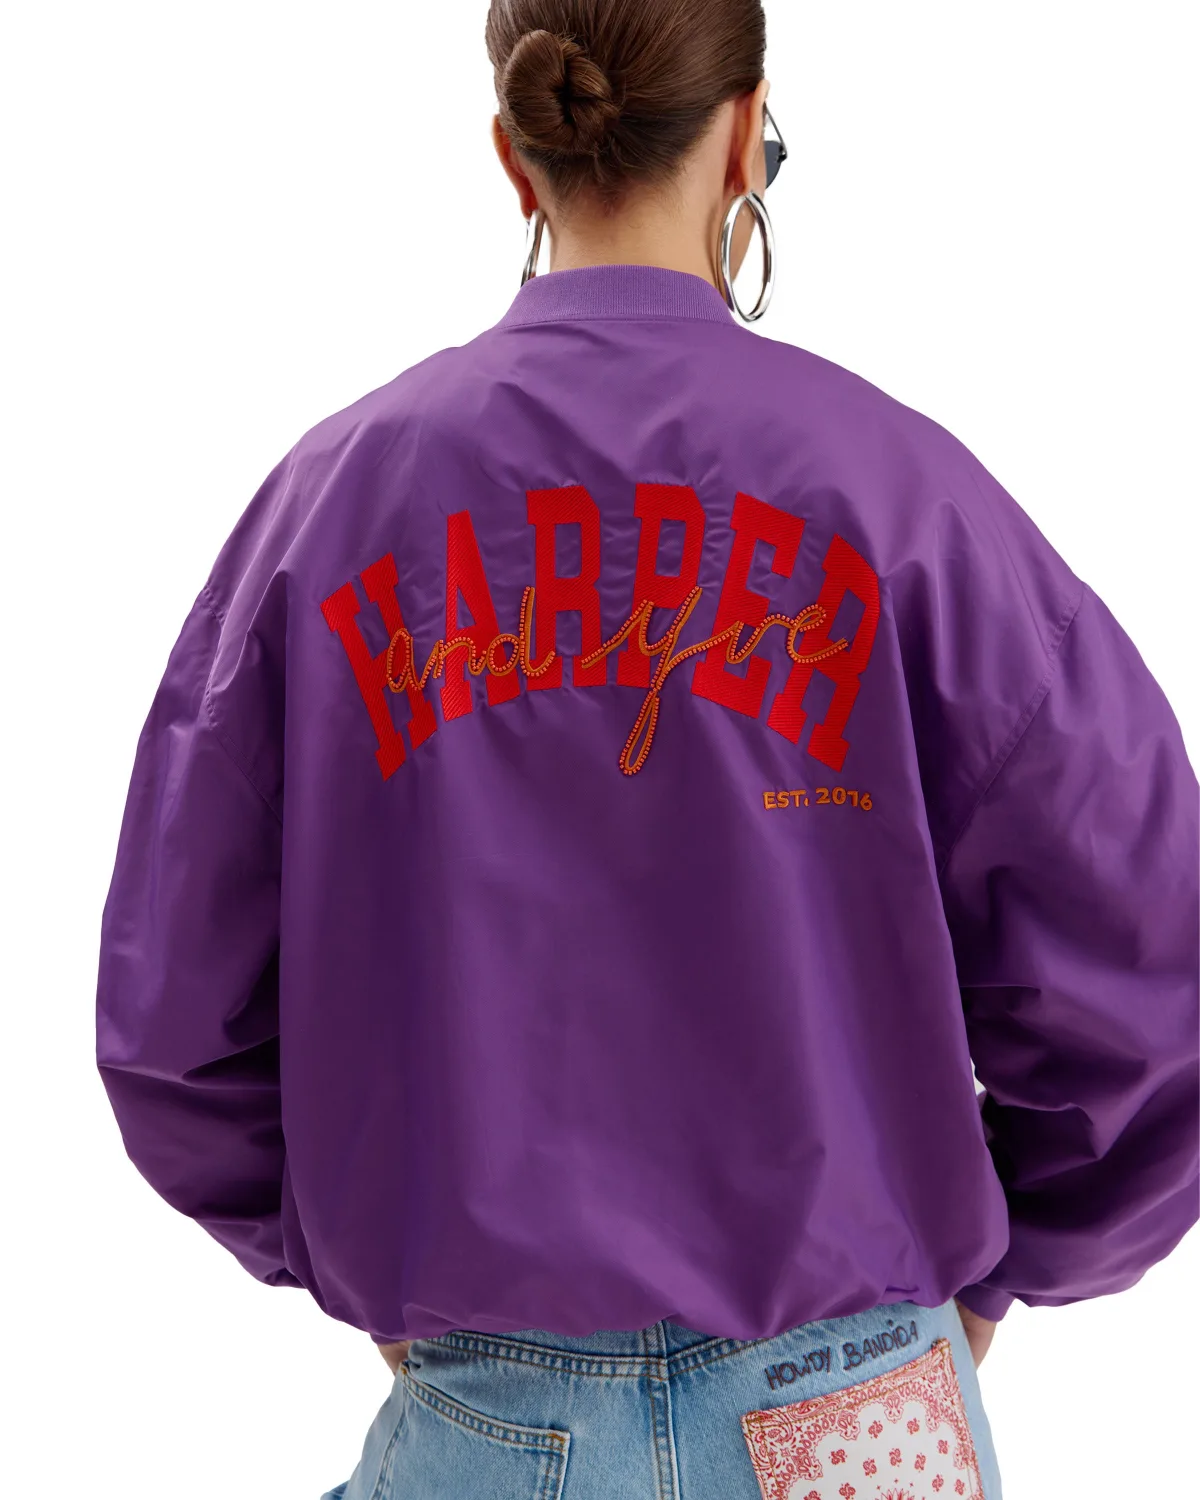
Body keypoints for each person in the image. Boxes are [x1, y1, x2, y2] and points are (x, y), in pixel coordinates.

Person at [94, 2, 1198, 1497]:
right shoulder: (905, 497)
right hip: (863, 1412)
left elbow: (173, 1022)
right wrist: (1002, 1279)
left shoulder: (331, 507)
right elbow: (1151, 963)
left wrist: (388, 1270)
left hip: (490, 1418)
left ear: (514, 155)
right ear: (745, 136)